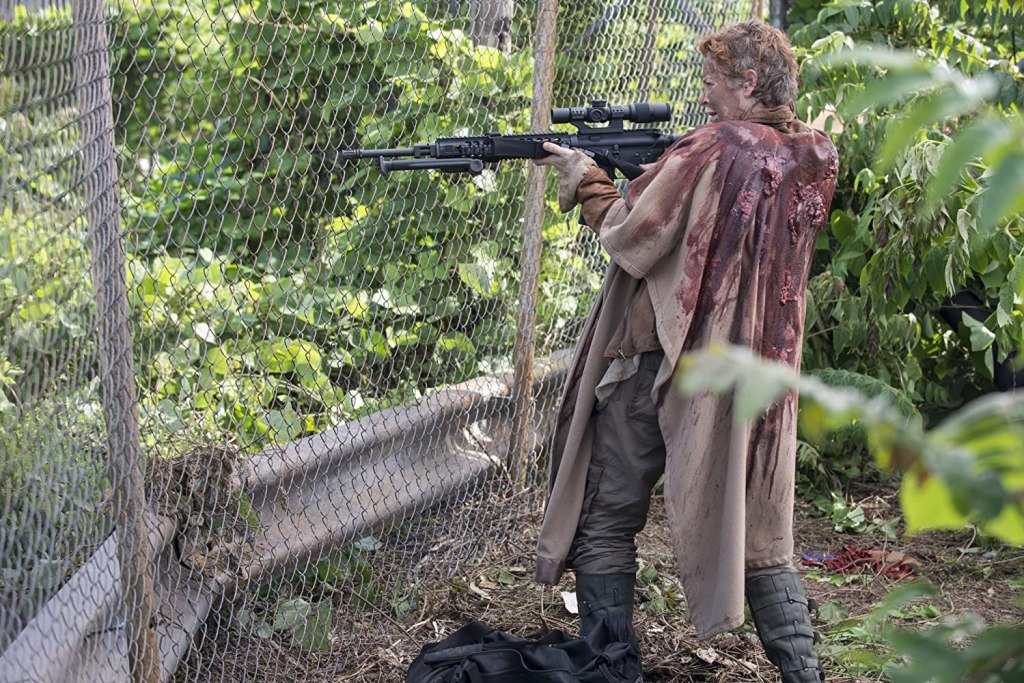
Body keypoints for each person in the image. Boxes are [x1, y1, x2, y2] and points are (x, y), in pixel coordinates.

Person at [532, 20, 838, 683]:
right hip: (760, 376)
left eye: (709, 81)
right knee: (760, 537)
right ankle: (804, 673)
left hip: (669, 362)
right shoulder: (814, 155)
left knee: (604, 518)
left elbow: (632, 232)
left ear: (747, 81)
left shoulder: (714, 149)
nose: (701, 96)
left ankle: (613, 669)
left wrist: (586, 177)